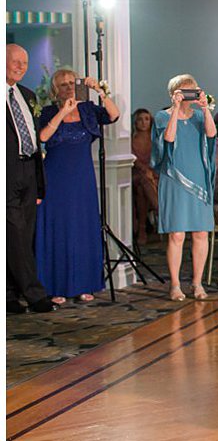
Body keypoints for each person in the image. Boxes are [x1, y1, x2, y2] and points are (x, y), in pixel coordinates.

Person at [33, 67, 119, 304]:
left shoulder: (88, 110)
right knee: (58, 229)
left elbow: (113, 115)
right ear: (55, 90)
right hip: (56, 179)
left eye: (72, 82)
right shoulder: (49, 111)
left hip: (82, 178)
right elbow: (43, 137)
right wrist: (63, 112)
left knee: (82, 228)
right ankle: (56, 286)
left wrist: (99, 91)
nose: (69, 87)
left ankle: (84, 284)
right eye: (63, 84)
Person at [153, 74, 217, 302]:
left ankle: (197, 283)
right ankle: (175, 284)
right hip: (174, 179)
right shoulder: (162, 116)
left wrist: (206, 108)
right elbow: (168, 140)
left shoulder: (200, 116)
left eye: (194, 90)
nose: (191, 94)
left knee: (201, 233)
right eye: (186, 91)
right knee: (177, 234)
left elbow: (211, 135)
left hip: (199, 179)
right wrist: (175, 108)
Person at [6, 46, 52, 313]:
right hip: (6, 174)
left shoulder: (27, 95)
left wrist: (38, 181)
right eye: (15, 62)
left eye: (25, 63)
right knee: (15, 233)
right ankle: (35, 294)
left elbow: (34, 140)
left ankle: (9, 295)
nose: (21, 67)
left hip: (28, 174)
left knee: (23, 235)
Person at [130, 106, 159, 245]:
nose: (143, 122)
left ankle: (142, 229)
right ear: (135, 122)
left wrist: (151, 171)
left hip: (154, 175)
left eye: (146, 119)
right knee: (143, 180)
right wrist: (145, 170)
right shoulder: (130, 139)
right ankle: (160, 210)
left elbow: (159, 159)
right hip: (137, 175)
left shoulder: (155, 139)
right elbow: (134, 161)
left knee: (142, 190)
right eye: (140, 119)